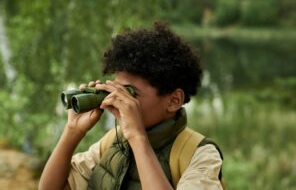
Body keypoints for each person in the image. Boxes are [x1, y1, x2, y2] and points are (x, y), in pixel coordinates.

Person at [39, 22, 223, 190]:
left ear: (174, 100)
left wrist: (137, 137)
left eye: (130, 92)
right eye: (116, 89)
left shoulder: (199, 155)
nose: (118, 99)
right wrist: (73, 131)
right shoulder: (113, 141)